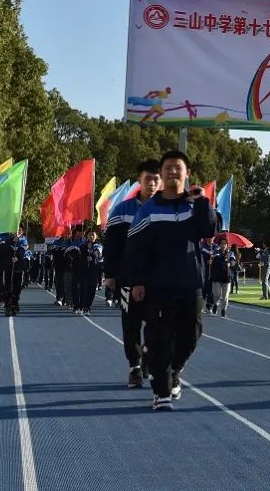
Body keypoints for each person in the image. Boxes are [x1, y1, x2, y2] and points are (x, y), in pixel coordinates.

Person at [129, 150, 218, 411]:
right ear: (161, 172)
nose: (172, 172)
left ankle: (175, 370)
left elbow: (209, 230)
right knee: (160, 339)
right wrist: (137, 281)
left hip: (190, 284)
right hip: (159, 287)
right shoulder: (148, 210)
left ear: (187, 173)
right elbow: (136, 248)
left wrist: (202, 202)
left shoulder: (195, 205)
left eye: (178, 167)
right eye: (167, 168)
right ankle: (162, 392)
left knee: (191, 336)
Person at [104, 160, 162, 389]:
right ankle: (134, 368)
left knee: (157, 324)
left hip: (158, 280)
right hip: (128, 278)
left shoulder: (166, 209)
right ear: (139, 180)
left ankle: (147, 354)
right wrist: (110, 273)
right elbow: (112, 245)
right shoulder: (123, 210)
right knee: (131, 324)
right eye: (148, 179)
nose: (152, 183)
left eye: (156, 179)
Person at [208, 240, 233, 317]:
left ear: (227, 245)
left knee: (225, 296)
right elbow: (212, 259)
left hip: (226, 277)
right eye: (222, 243)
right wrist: (211, 261)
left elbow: (234, 261)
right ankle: (216, 304)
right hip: (217, 277)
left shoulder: (230, 253)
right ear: (219, 245)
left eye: (225, 243)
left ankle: (223, 310)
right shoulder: (216, 252)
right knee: (217, 294)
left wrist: (230, 263)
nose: (223, 245)